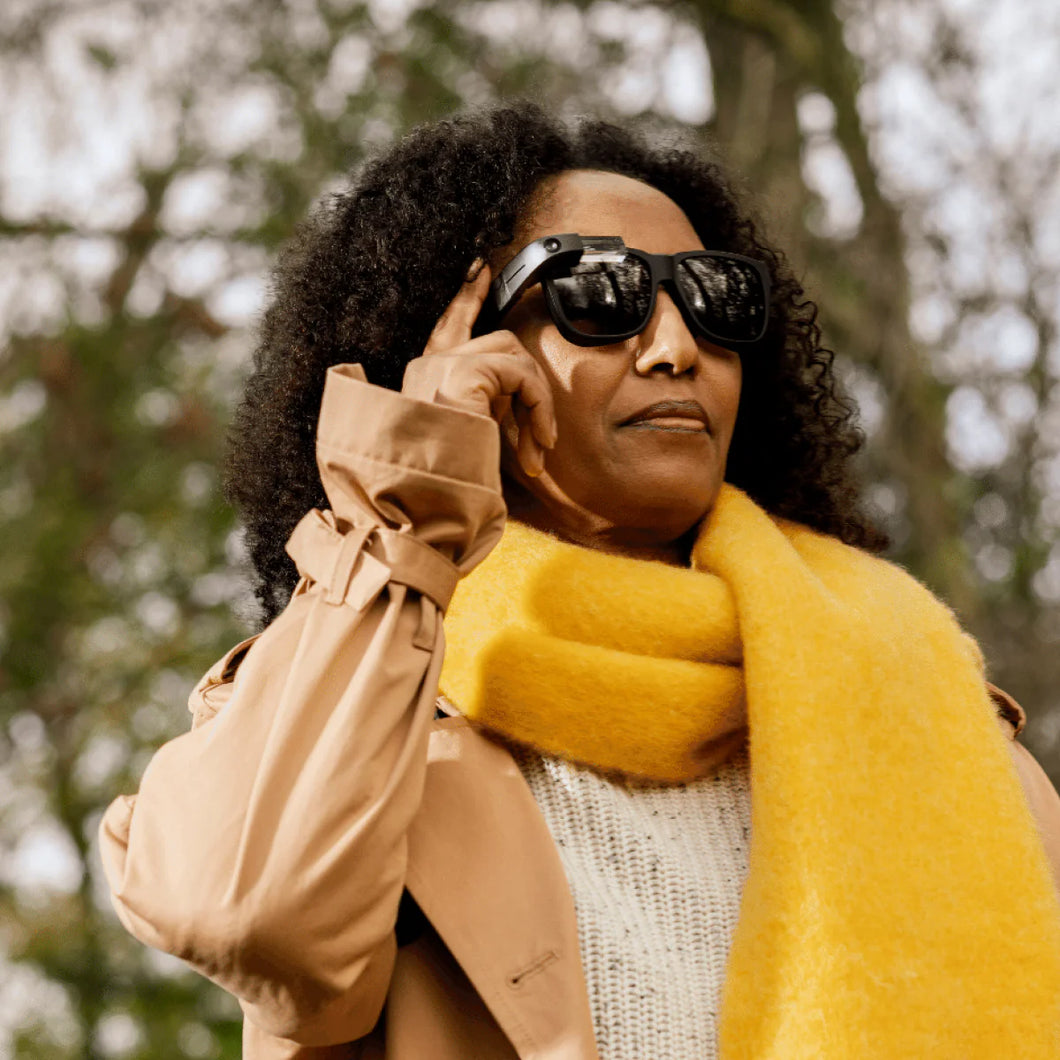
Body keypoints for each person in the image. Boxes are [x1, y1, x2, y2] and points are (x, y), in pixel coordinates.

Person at [99, 102, 1060, 1059]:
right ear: (462, 344)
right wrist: (409, 514)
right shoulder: (373, 715)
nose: (676, 346)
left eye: (714, 299)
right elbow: (255, 921)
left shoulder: (921, 701)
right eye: (601, 296)